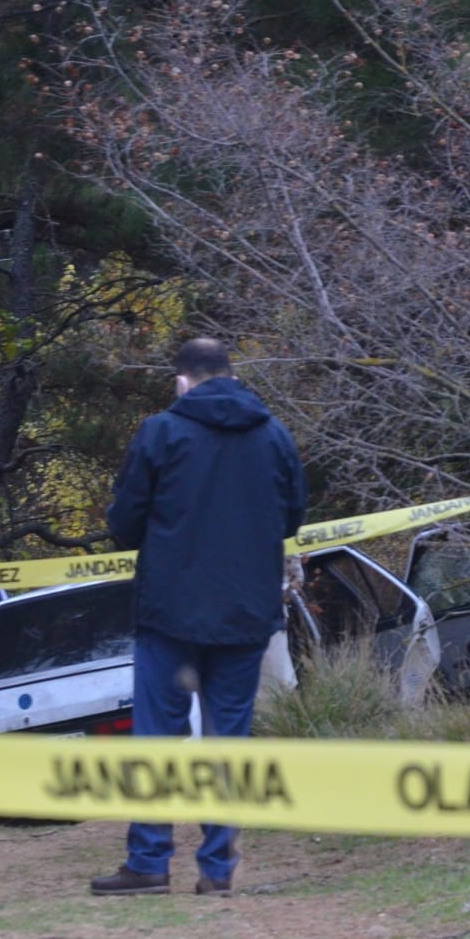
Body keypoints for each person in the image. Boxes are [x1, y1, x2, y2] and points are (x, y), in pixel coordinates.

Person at [90, 338, 306, 898]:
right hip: (245, 613)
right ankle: (217, 869)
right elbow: (292, 517)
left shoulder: (161, 432)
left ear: (183, 380)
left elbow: (125, 523)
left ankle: (149, 861)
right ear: (230, 375)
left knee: (157, 738)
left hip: (170, 611)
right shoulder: (275, 435)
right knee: (227, 739)